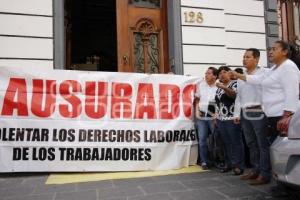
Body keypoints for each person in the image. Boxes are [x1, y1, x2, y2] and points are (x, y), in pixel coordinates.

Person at [230, 40, 300, 197]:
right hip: (272, 116)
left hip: (282, 117)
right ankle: (281, 182)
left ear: (284, 52)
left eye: (274, 49)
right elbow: (258, 80)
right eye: (270, 49)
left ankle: (282, 183)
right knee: (275, 149)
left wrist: (287, 115)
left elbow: (292, 92)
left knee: (277, 149)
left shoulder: (288, 67)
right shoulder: (275, 69)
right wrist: (238, 75)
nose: (270, 51)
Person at [233, 48, 271, 185]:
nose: (244, 59)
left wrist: (239, 76)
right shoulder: (241, 76)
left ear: (256, 59)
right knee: (251, 144)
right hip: (245, 113)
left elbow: (257, 81)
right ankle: (255, 170)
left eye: (248, 57)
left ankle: (265, 174)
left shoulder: (265, 72)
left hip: (259, 112)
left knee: (262, 144)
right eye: (243, 56)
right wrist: (237, 113)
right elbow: (239, 97)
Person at [215, 66, 244, 175]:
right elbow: (217, 103)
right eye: (220, 73)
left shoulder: (235, 84)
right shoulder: (218, 87)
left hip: (232, 118)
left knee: (236, 142)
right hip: (221, 119)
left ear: (230, 73)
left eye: (224, 72)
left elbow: (234, 96)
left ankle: (239, 166)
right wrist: (216, 117)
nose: (222, 75)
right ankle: (229, 163)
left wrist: (224, 88)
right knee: (226, 143)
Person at [194, 67, 218, 170]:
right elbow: (197, 99)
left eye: (208, 73)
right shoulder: (200, 85)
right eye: (205, 73)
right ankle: (204, 161)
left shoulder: (218, 86)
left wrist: (216, 115)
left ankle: (215, 160)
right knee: (202, 139)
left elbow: (220, 102)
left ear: (214, 76)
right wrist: (197, 111)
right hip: (201, 116)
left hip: (214, 116)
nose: (206, 75)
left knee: (215, 139)